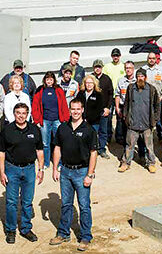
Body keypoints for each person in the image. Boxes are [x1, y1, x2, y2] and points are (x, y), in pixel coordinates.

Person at [50, 99, 98, 252]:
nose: (75, 112)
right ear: (69, 110)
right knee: (66, 204)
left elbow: (93, 153)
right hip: (65, 171)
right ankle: (63, 233)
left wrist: (89, 175)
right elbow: (57, 148)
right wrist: (55, 168)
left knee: (84, 206)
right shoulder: (62, 128)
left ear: (82, 110)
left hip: (82, 172)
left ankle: (85, 236)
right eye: (73, 109)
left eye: (78, 109)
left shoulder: (89, 130)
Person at [0, 103, 44, 244]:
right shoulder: (7, 130)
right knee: (11, 202)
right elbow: (1, 152)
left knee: (27, 201)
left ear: (28, 114)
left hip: (29, 169)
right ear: (14, 113)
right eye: (18, 113)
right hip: (12, 169)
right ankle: (11, 230)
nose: (21, 116)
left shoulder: (34, 129)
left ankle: (25, 228)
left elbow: (40, 150)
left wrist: (41, 169)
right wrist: (2, 172)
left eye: (24, 113)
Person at [117, 69, 160, 174]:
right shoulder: (131, 88)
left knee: (149, 146)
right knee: (129, 145)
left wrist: (154, 120)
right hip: (133, 123)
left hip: (146, 124)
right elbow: (126, 103)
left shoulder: (151, 89)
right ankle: (125, 163)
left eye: (142, 76)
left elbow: (157, 105)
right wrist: (126, 117)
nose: (140, 78)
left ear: (145, 77)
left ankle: (151, 163)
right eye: (138, 76)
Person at [31, 72, 70, 168]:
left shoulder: (58, 90)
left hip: (57, 120)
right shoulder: (40, 90)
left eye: (51, 79)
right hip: (45, 120)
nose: (49, 81)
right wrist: (36, 120)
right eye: (47, 79)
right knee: (45, 143)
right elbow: (35, 106)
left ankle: (59, 163)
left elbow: (64, 105)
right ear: (45, 80)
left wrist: (65, 118)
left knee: (59, 142)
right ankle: (46, 162)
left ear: (54, 80)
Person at [76, 75, 108, 158]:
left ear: (94, 84)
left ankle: (99, 151)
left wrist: (89, 119)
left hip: (94, 121)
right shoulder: (81, 93)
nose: (89, 85)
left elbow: (98, 109)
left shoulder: (98, 94)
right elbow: (78, 105)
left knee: (94, 137)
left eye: (91, 83)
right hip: (82, 120)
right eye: (87, 83)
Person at [91, 60, 114, 158]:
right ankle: (93, 150)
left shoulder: (106, 79)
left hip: (103, 110)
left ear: (102, 68)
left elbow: (110, 94)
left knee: (103, 131)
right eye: (96, 67)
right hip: (92, 111)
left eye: (99, 67)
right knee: (92, 131)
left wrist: (108, 108)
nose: (97, 69)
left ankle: (102, 149)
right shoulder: (90, 78)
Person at [103, 48, 126, 144]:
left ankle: (119, 136)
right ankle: (108, 136)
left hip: (120, 95)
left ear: (120, 56)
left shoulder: (123, 66)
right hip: (109, 95)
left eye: (117, 55)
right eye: (114, 55)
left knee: (120, 116)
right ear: (111, 56)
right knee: (108, 117)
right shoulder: (107, 66)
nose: (115, 57)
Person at [145, 52, 162, 141]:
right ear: (147, 59)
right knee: (146, 118)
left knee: (158, 118)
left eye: (153, 58)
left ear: (156, 59)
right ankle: (146, 135)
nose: (151, 60)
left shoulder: (161, 70)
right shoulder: (143, 69)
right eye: (150, 58)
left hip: (158, 98)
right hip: (146, 99)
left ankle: (161, 136)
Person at [115, 61, 136, 145]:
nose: (128, 70)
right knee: (123, 126)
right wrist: (117, 108)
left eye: (130, 68)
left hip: (135, 107)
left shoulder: (137, 80)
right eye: (126, 68)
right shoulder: (121, 81)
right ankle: (124, 142)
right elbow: (117, 95)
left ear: (133, 69)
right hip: (123, 106)